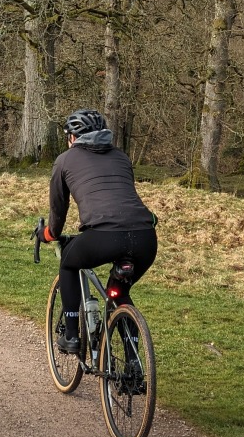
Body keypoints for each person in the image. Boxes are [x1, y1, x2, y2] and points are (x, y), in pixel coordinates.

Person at [37, 109, 158, 353]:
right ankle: (133, 363)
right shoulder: (121, 157)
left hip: (104, 236)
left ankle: (71, 336)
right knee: (119, 292)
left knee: (69, 264)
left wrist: (47, 235)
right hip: (145, 237)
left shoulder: (64, 160)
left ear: (72, 137)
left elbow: (58, 211)